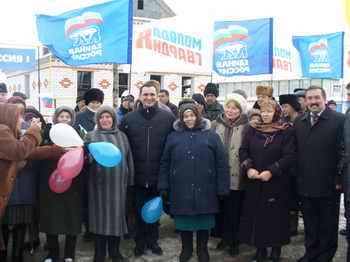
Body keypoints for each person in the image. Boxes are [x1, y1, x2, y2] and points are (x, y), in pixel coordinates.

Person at [158, 103, 229, 262]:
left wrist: (222, 187)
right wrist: (163, 185)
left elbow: (222, 162)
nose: (189, 119)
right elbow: (165, 162)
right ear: (181, 118)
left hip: (206, 187)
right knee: (184, 221)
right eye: (185, 116)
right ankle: (187, 248)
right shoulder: (173, 137)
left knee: (204, 220)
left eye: (192, 115)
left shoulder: (211, 135)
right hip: (180, 186)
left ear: (198, 116)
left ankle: (202, 249)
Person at [120, 80, 175, 257]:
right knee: (138, 211)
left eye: (152, 94)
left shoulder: (168, 118)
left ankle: (153, 241)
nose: (149, 97)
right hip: (137, 176)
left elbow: (172, 146)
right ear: (140, 96)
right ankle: (140, 242)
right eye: (145, 94)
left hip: (158, 175)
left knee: (155, 211)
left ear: (157, 96)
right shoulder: (129, 119)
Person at [239, 99, 295, 262]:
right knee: (257, 216)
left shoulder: (285, 130)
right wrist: (248, 167)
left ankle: (276, 250)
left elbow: (289, 156)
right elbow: (243, 151)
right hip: (255, 180)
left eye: (269, 111)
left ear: (276, 112)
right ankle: (260, 249)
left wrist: (272, 170)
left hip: (277, 181)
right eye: (263, 111)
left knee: (275, 217)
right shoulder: (252, 129)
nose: (265, 114)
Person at [294, 86, 345, 262]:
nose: (313, 101)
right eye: (309, 98)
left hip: (329, 183)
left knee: (328, 225)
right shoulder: (299, 122)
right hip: (306, 184)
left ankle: (325, 256)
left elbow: (343, 151)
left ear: (324, 99)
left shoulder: (339, 120)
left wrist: (339, 177)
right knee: (310, 223)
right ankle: (311, 253)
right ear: (305, 101)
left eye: (317, 98)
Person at [29, 106, 83, 262]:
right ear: (56, 118)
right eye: (61, 116)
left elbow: (84, 156)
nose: (64, 119)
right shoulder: (46, 134)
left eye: (68, 117)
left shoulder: (78, 135)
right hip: (49, 183)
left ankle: (69, 254)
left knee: (71, 219)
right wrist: (53, 151)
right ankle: (52, 253)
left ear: (72, 119)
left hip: (72, 184)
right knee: (50, 219)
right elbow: (36, 153)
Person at [86, 106, 134, 262]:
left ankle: (115, 252)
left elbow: (129, 159)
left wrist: (130, 180)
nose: (105, 120)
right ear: (97, 120)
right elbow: (85, 161)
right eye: (101, 117)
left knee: (116, 218)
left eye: (108, 117)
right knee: (99, 219)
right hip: (98, 186)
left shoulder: (122, 137)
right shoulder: (90, 136)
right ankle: (99, 253)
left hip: (118, 186)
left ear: (113, 119)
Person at [0, 103, 42, 261]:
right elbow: (19, 151)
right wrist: (33, 132)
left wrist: (53, 151)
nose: (21, 120)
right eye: (18, 117)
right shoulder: (2, 131)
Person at [211, 98, 248, 257]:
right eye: (228, 107)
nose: (231, 111)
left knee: (235, 210)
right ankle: (223, 238)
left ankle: (234, 241)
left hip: (237, 176)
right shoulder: (216, 124)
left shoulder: (247, 126)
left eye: (235, 108)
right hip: (218, 175)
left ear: (241, 110)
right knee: (221, 210)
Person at [74, 88, 104, 241]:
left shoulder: (104, 116)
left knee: (98, 197)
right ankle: (88, 228)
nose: (96, 105)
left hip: (102, 162)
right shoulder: (79, 117)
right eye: (93, 102)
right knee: (86, 196)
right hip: (85, 162)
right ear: (87, 103)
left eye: (98, 102)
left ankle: (97, 226)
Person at [279, 94, 302, 237]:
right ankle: (288, 224)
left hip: (299, 165)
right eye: (282, 106)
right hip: (287, 166)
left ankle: (294, 226)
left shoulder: (301, 120)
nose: (283, 109)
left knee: (295, 197)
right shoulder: (283, 121)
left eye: (286, 106)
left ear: (293, 106)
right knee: (288, 197)